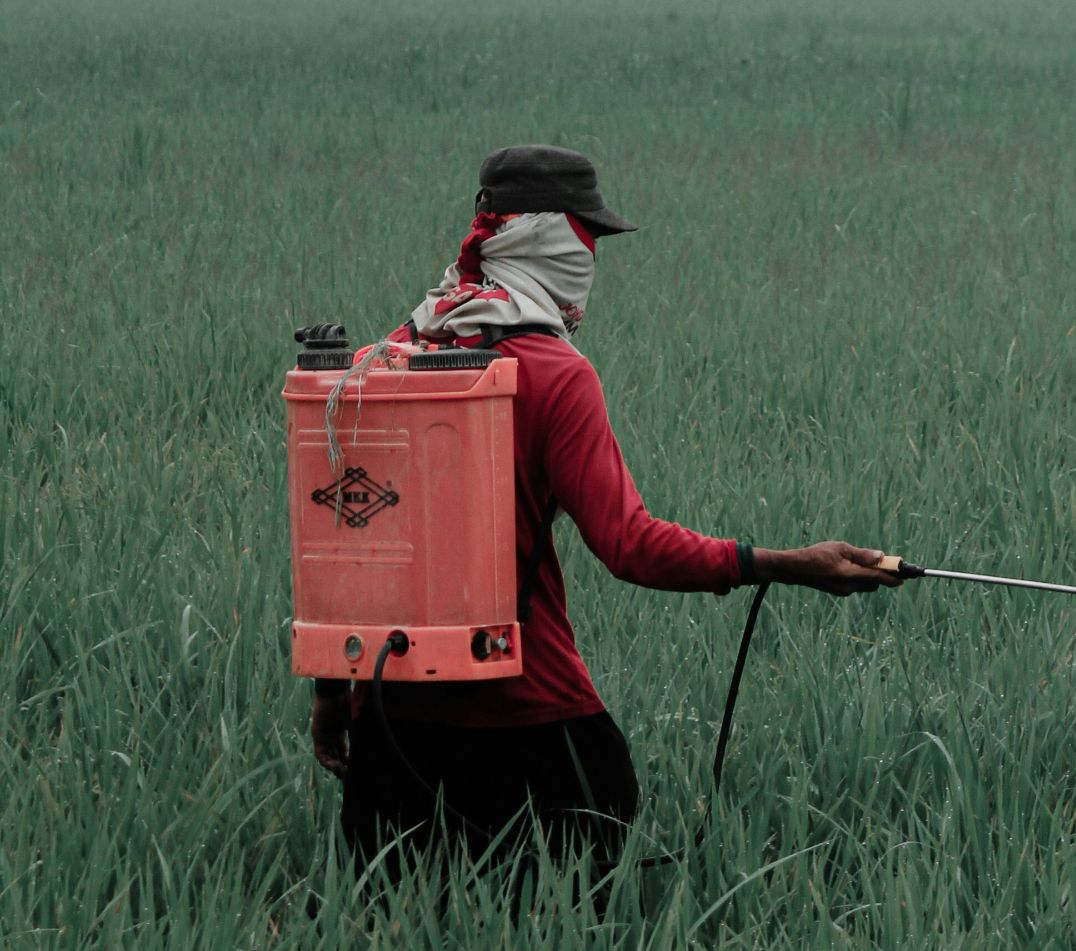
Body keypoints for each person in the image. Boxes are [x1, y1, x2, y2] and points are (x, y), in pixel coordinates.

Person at [308, 144, 899, 880]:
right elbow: (631, 547)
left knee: (399, 947)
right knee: (566, 945)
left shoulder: (389, 354)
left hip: (392, 723)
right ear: (553, 240)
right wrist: (786, 565)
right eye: (588, 238)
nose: (592, 260)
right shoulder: (557, 374)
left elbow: (343, 549)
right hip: (529, 717)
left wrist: (335, 696)